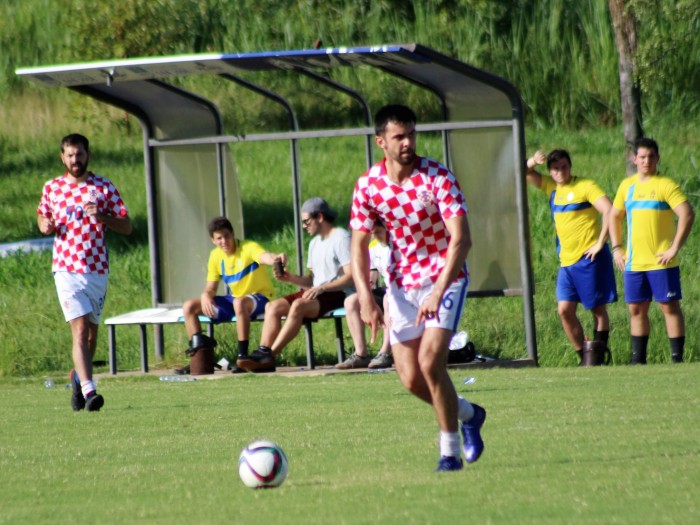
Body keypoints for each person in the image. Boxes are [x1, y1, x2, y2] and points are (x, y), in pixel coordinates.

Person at [349, 104, 485, 472]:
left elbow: (461, 239)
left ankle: (449, 452)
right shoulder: (368, 185)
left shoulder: (438, 178)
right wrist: (365, 296)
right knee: (410, 378)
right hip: (401, 286)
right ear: (381, 142)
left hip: (445, 277)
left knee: (430, 362)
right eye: (399, 137)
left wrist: (438, 291)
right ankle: (470, 413)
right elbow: (358, 245)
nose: (407, 142)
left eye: (411, 134)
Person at [37, 133, 133, 412]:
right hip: (66, 269)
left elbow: (127, 226)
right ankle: (91, 391)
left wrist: (103, 217)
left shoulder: (103, 187)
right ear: (62, 157)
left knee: (91, 336)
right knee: (78, 330)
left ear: (88, 155)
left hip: (97, 270)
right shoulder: (53, 187)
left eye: (79, 154)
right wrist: (45, 224)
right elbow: (42, 215)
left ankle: (79, 381)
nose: (75, 160)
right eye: (69, 155)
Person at [237, 197, 354, 372]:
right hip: (318, 292)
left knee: (298, 305)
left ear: (320, 217)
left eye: (306, 221)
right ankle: (263, 351)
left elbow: (351, 277)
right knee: (272, 307)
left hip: (338, 293)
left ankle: (269, 357)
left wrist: (322, 288)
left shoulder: (342, 238)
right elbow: (312, 280)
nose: (304, 226)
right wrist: (290, 278)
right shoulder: (315, 243)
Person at [525, 149, 618, 364]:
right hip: (565, 262)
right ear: (550, 170)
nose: (560, 172)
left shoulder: (585, 186)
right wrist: (532, 161)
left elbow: (609, 210)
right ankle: (583, 357)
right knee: (564, 311)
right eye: (555, 168)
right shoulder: (551, 187)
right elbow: (522, 172)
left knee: (598, 310)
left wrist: (600, 242)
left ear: (570, 167)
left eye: (564, 167)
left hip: (588, 258)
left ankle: (598, 357)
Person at [609, 138, 694, 364]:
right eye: (642, 157)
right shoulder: (627, 186)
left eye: (651, 157)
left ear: (658, 158)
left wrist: (674, 247)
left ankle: (677, 359)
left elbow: (687, 213)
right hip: (634, 262)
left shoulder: (666, 185)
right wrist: (617, 248)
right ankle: (638, 360)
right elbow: (614, 216)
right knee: (636, 309)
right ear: (634, 158)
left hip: (661, 262)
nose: (646, 161)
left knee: (669, 307)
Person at [178, 216, 285, 374]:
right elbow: (211, 287)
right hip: (237, 300)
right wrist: (206, 295)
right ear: (213, 240)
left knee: (239, 303)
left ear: (233, 234)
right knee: (189, 307)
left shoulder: (248, 247)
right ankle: (199, 360)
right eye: (219, 238)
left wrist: (275, 258)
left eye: (227, 236)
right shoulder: (215, 256)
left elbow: (264, 256)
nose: (224, 241)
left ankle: (242, 357)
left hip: (261, 297)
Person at [336, 219, 393, 369]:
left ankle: (386, 352)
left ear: (387, 228)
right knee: (351, 301)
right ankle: (361, 354)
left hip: (403, 288)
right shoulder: (373, 247)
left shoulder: (400, 243)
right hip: (387, 288)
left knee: (388, 298)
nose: (376, 237)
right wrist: (367, 290)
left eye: (379, 232)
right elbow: (373, 276)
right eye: (373, 233)